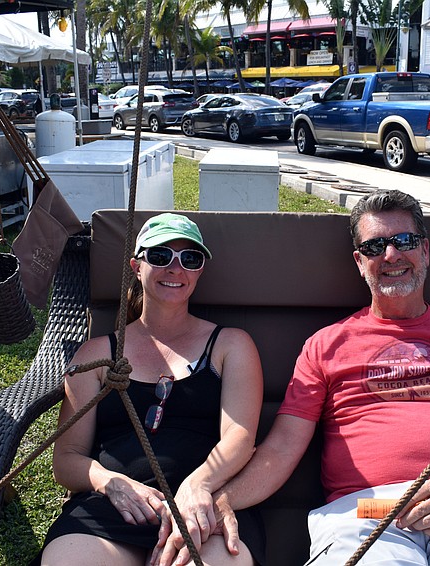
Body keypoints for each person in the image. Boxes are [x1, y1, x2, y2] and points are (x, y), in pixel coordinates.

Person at [156, 190, 430, 565]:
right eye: (375, 247)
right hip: (368, 510)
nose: (391, 255)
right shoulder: (326, 345)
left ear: (424, 250)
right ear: (360, 261)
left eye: (404, 241)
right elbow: (283, 448)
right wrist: (222, 499)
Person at [37, 213, 266, 566]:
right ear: (137, 266)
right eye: (160, 256)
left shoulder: (230, 345)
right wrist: (109, 481)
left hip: (205, 508)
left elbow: (239, 438)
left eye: (190, 259)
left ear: (200, 270)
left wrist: (197, 487)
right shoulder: (98, 354)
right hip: (114, 508)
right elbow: (65, 461)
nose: (176, 268)